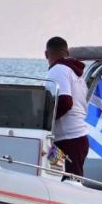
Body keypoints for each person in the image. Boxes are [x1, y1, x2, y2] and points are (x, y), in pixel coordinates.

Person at [44, 36, 89, 177]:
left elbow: (65, 102)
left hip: (68, 141)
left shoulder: (57, 70)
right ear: (67, 53)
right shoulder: (76, 75)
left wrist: (44, 121)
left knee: (69, 182)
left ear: (46, 54)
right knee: (58, 178)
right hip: (73, 138)